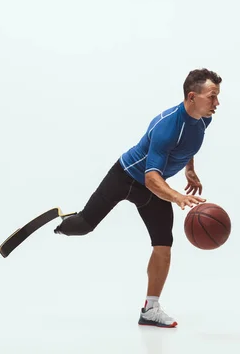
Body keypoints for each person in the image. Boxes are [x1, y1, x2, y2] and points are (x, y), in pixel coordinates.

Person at [53, 68, 222, 328]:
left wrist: (189, 170)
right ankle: (62, 221)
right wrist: (177, 197)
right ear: (192, 97)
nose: (217, 103)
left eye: (217, 96)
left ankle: (150, 309)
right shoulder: (167, 126)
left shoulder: (203, 119)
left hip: (152, 188)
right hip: (126, 176)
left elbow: (188, 144)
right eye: (212, 97)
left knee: (163, 244)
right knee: (83, 226)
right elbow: (151, 177)